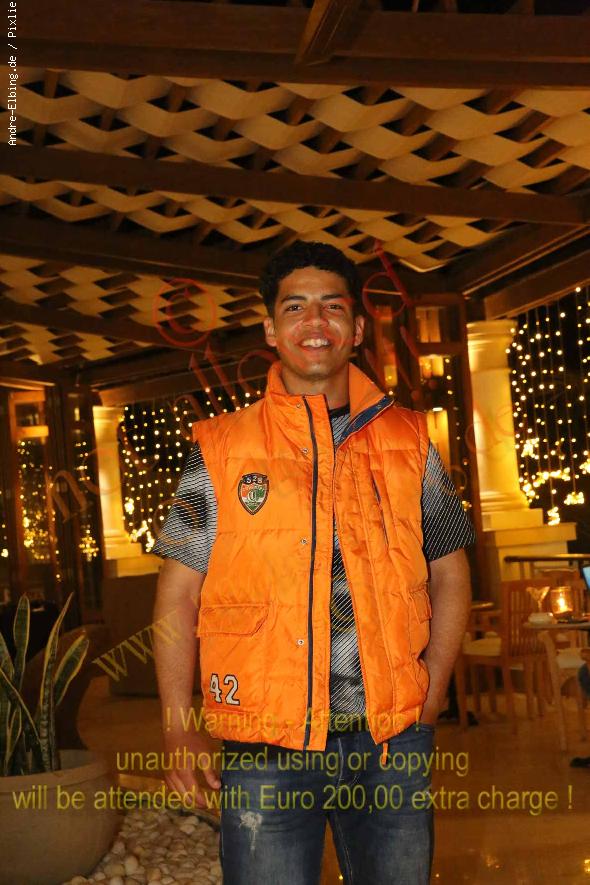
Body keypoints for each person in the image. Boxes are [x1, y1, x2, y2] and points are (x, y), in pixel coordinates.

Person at [152, 241, 474, 884]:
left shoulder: (410, 439)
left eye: (333, 306)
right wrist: (177, 727)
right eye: (295, 307)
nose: (315, 321)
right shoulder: (220, 447)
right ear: (271, 330)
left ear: (357, 329)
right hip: (264, 747)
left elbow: (451, 573)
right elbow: (177, 595)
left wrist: (433, 692)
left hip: (390, 742)